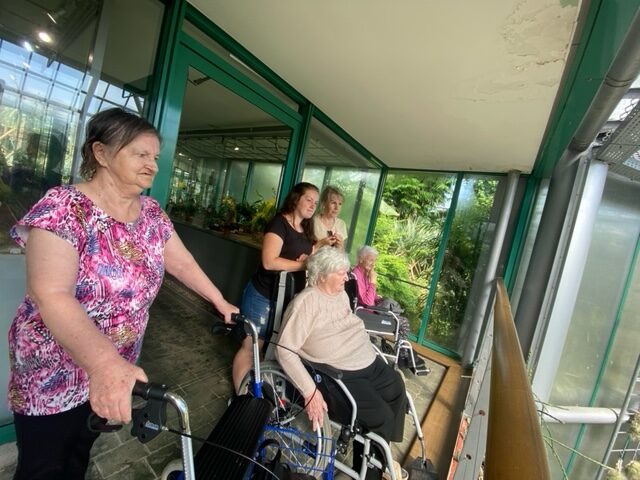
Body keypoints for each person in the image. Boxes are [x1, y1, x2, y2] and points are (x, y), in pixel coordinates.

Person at [7, 107, 238, 480]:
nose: (153, 166)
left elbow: (182, 263)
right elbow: (51, 294)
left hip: (111, 369)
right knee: (43, 465)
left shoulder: (151, 213)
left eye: (156, 157)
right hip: (54, 372)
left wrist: (219, 300)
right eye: (141, 154)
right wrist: (106, 366)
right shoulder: (64, 207)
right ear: (101, 153)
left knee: (79, 452)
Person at [276, 246, 407, 480]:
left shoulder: (341, 294)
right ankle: (372, 470)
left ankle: (380, 454)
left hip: (367, 360)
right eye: (342, 273)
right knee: (381, 417)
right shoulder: (305, 304)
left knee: (397, 388)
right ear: (323, 275)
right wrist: (310, 391)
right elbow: (284, 351)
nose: (347, 278)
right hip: (340, 373)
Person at [232, 181, 323, 392]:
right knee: (252, 346)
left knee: (272, 348)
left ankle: (262, 390)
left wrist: (319, 249)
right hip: (263, 295)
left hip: (287, 298)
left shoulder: (305, 228)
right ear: (296, 199)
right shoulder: (278, 224)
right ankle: (242, 396)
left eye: (316, 202)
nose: (313, 205)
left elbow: (303, 254)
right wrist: (304, 265)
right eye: (309, 200)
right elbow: (269, 261)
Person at [352, 245, 424, 371]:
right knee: (403, 322)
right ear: (361, 259)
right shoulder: (357, 275)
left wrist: (377, 296)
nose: (373, 263)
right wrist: (373, 281)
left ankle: (402, 351)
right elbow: (367, 302)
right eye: (370, 260)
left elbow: (369, 296)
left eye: (374, 260)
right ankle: (402, 355)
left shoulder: (363, 274)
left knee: (397, 315)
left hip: (368, 312)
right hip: (366, 315)